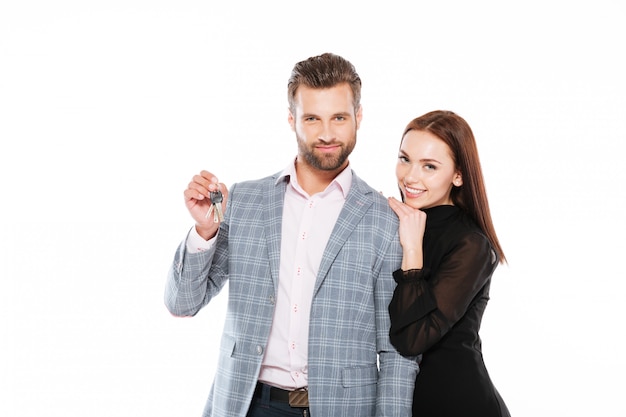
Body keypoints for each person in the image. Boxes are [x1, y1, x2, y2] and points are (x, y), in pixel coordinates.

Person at [165, 53, 419, 417]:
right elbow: (181, 303)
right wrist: (205, 231)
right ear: (291, 120)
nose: (327, 133)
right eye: (312, 118)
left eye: (339, 118)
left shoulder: (384, 220)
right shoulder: (244, 200)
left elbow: (396, 351)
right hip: (247, 404)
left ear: (358, 118)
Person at [387, 110, 511, 417]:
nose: (411, 177)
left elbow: (412, 340)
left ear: (458, 175)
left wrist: (413, 249)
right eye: (405, 159)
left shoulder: (471, 243)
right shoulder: (401, 222)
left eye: (429, 166)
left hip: (460, 403)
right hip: (404, 403)